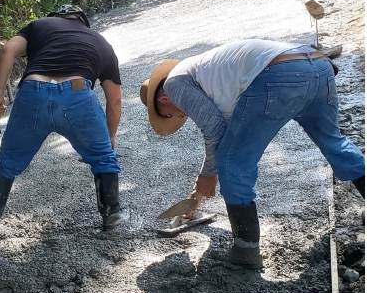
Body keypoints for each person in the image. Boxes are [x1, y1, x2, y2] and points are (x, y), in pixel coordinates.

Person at [139, 39, 365, 269]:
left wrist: (208, 175)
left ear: (164, 100)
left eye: (168, 114)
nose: (181, 116)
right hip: (317, 65)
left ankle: (245, 252)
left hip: (279, 76)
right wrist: (201, 187)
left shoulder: (174, 85)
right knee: (334, 143)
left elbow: (215, 131)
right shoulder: (206, 74)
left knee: (233, 165)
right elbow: (226, 135)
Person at [0, 5, 126, 238]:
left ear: (55, 18)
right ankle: (111, 216)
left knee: (7, 162)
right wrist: (110, 137)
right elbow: (115, 101)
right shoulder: (101, 42)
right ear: (83, 22)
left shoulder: (40, 25)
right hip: (77, 95)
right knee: (103, 157)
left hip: (33, 93)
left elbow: (7, 50)